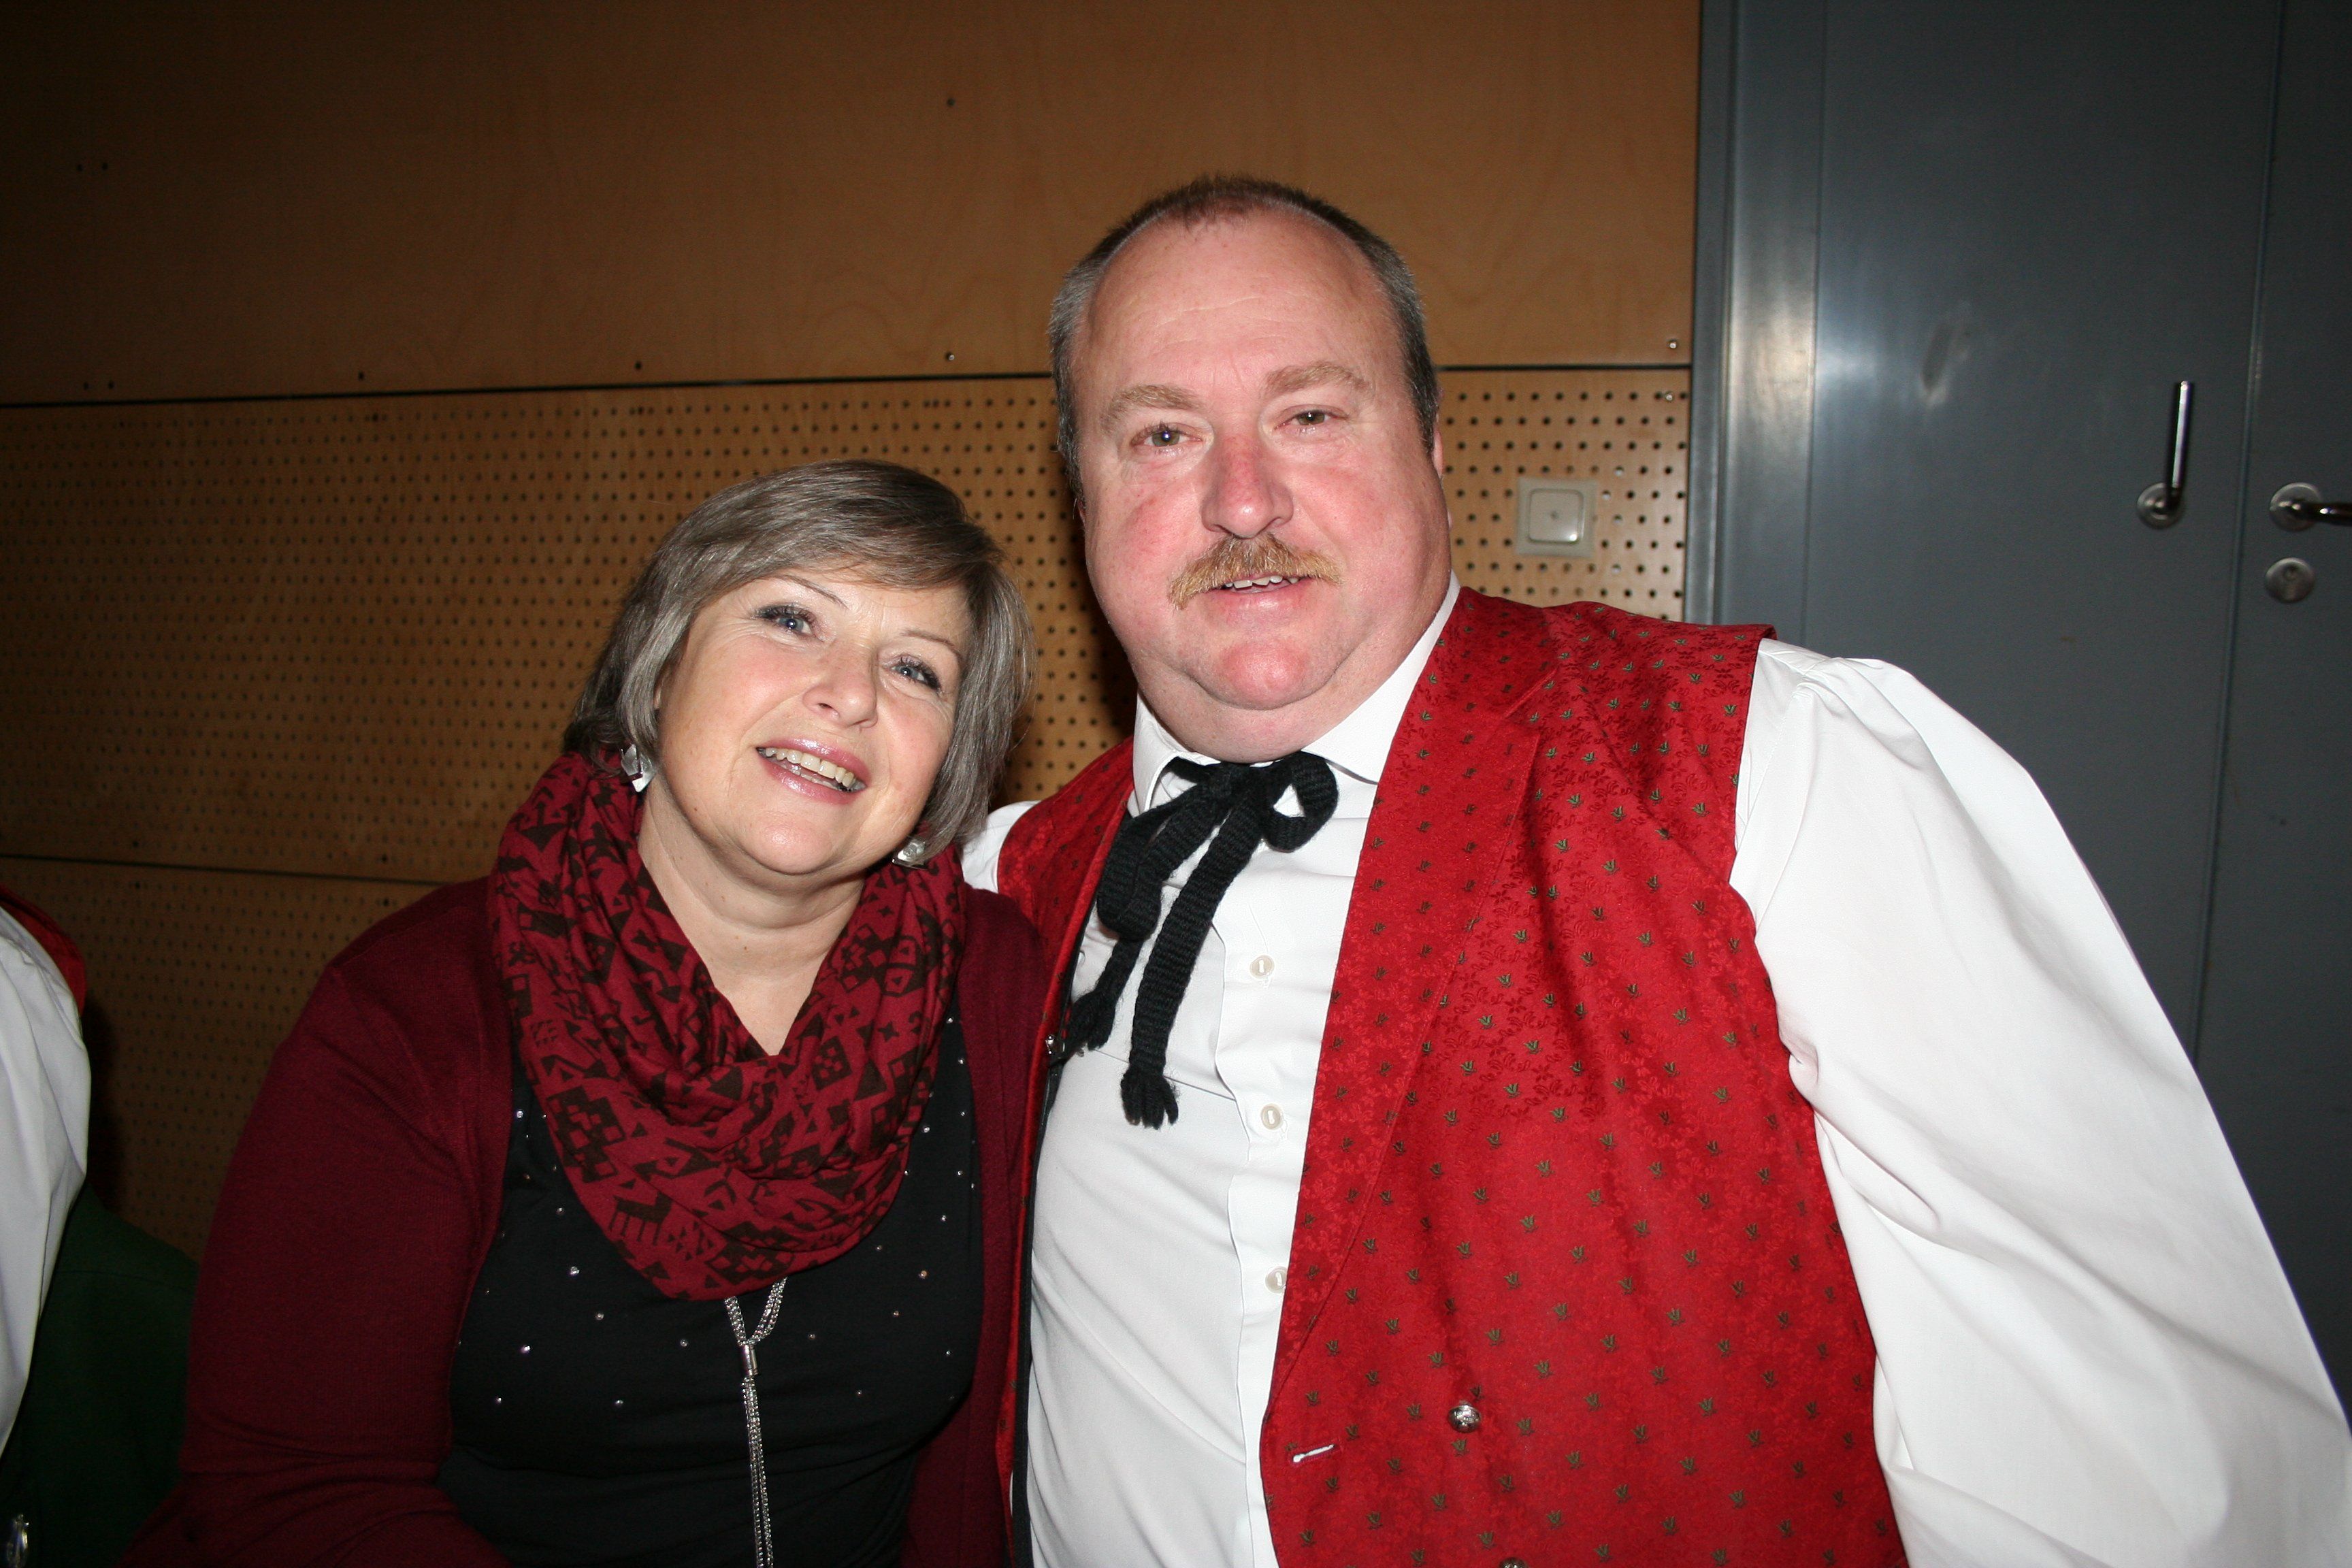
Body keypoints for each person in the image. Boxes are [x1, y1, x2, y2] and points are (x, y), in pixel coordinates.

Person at [964, 176, 2352, 1568]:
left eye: (1311, 415)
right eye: (1161, 435)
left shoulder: (1779, 766)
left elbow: (2127, 1463)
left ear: (1434, 447)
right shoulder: (998, 893)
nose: (1241, 499)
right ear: (1083, 499)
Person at [128, 460, 1047, 1568]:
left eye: (915, 669)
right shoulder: (416, 1012)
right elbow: (292, 1491)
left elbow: (972, 1479)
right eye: (791, 617)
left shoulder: (997, 987)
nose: (850, 694)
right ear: (660, 669)